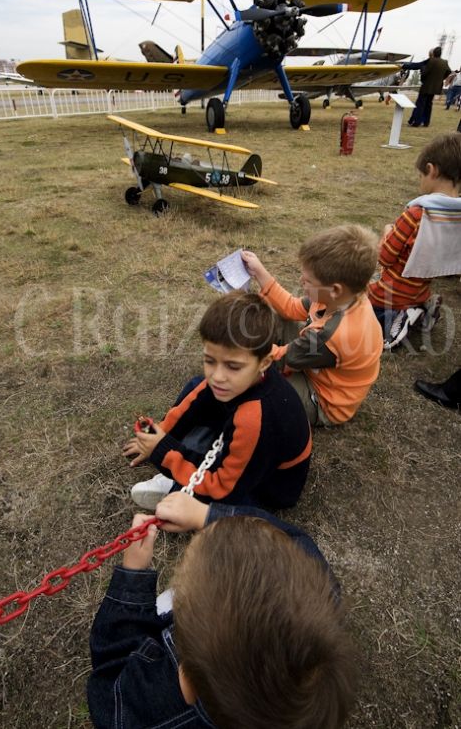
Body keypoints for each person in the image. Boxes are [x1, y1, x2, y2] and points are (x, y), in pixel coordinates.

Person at [87, 493, 357, 729]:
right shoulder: (321, 593)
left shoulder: (152, 705)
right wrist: (205, 514)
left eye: (182, 585)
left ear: (186, 680)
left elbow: (111, 679)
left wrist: (132, 577)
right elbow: (294, 538)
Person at [123, 291, 312, 511]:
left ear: (264, 362)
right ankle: (181, 476)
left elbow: (224, 488)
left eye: (233, 366)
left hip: (266, 487)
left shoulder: (256, 418)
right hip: (247, 453)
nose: (217, 376)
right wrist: (159, 433)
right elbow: (192, 405)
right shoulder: (244, 378)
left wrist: (163, 451)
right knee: (198, 386)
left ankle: (178, 487)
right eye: (210, 361)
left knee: (196, 507)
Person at [241, 225, 383, 426]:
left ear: (335, 289)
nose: (301, 281)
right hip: (314, 364)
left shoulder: (332, 334)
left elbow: (283, 359)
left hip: (322, 400)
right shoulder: (343, 297)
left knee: (258, 386)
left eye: (308, 280)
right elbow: (291, 308)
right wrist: (259, 272)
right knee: (272, 317)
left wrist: (240, 351)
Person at [368, 133, 461, 348]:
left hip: (393, 291)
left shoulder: (417, 214)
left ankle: (403, 316)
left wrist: (387, 232)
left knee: (358, 304)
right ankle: (422, 307)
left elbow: (385, 258)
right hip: (421, 287)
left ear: (431, 170)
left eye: (421, 176)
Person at [402, 46, 451, 127]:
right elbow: (448, 71)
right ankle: (426, 122)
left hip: (426, 86)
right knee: (429, 104)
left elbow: (424, 72)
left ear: (433, 53)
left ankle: (416, 122)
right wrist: (441, 78)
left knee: (420, 104)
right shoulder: (444, 62)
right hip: (435, 88)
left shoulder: (431, 61)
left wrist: (422, 78)